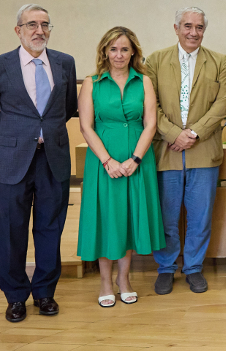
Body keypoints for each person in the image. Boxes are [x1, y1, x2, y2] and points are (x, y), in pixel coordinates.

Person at [0, 4, 77, 323]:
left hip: (54, 159)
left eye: (45, 24)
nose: (39, 30)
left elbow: (69, 108)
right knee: (12, 230)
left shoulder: (65, 62)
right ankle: (16, 296)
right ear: (18, 29)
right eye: (31, 24)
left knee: (50, 228)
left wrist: (44, 134)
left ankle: (45, 292)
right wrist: (16, 137)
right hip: (13, 161)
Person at [146, 7, 226, 295]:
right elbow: (150, 104)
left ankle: (194, 268)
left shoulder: (219, 62)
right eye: (187, 26)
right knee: (167, 216)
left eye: (199, 27)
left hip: (203, 150)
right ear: (176, 28)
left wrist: (192, 134)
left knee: (200, 216)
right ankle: (166, 268)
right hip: (166, 150)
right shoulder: (156, 61)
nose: (193, 32)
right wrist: (173, 134)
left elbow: (222, 104)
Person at [77, 27, 165, 307]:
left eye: (124, 49)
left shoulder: (145, 81)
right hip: (103, 162)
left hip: (137, 161)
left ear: (133, 53)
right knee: (107, 220)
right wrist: (107, 160)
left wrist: (135, 159)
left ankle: (124, 280)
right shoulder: (92, 82)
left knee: (127, 220)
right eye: (113, 49)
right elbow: (86, 126)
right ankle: (105, 282)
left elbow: (151, 123)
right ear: (104, 51)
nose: (119, 54)